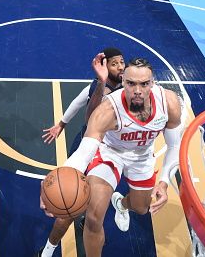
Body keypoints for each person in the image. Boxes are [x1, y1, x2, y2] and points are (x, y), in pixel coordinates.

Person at [41, 58, 183, 257]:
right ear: (123, 81)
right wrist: (54, 180)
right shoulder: (107, 111)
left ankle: (121, 204)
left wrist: (165, 182)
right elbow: (83, 154)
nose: (138, 90)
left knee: (141, 208)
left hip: (141, 157)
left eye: (144, 84)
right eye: (131, 83)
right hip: (110, 153)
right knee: (93, 217)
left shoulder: (169, 103)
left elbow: (175, 145)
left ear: (153, 83)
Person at [38, 49, 125, 257]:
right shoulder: (98, 86)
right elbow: (85, 107)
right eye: (114, 64)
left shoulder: (128, 88)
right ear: (104, 67)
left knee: (93, 201)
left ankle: (100, 209)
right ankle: (48, 251)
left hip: (110, 152)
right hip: (88, 145)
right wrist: (61, 123)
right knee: (68, 210)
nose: (120, 67)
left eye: (122, 62)